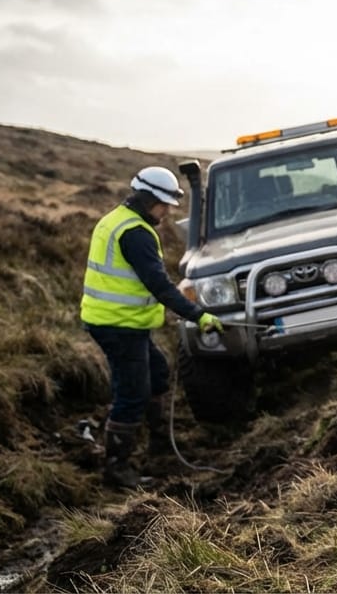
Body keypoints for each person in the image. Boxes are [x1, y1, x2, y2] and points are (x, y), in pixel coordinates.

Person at [80, 166, 223, 488]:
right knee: (132, 393)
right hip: (117, 325)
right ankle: (116, 469)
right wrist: (197, 315)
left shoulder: (119, 219)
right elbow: (159, 285)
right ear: (148, 200)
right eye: (165, 204)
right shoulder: (137, 233)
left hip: (121, 322)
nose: (169, 211)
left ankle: (159, 444)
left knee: (157, 373)